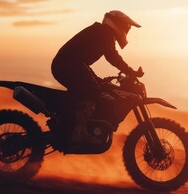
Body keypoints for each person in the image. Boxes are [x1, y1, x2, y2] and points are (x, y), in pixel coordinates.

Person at [51, 10, 141, 144]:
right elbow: (112, 57)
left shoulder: (101, 31)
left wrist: (98, 80)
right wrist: (131, 71)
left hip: (67, 65)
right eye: (126, 26)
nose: (127, 30)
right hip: (68, 65)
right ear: (117, 23)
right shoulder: (105, 33)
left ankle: (69, 125)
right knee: (93, 93)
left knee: (94, 88)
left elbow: (83, 64)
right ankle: (79, 132)